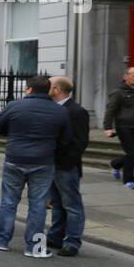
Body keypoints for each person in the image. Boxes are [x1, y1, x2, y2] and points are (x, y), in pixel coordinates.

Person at [0, 75, 74, 257]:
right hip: (43, 162)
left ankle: (1, 240)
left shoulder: (15, 106)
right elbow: (66, 140)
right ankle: (35, 248)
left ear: (29, 89)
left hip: (15, 159)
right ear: (48, 90)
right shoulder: (59, 111)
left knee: (9, 202)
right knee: (38, 205)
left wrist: (14, 133)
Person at [45, 76, 90, 256]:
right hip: (51, 165)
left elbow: (80, 142)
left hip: (66, 167)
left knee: (72, 205)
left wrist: (65, 162)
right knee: (57, 204)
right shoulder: (52, 108)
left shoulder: (77, 111)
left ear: (57, 89)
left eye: (49, 86)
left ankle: (72, 241)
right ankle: (56, 236)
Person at [103, 66, 134, 189]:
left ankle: (115, 164)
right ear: (126, 76)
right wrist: (108, 127)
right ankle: (128, 180)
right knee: (132, 153)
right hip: (124, 127)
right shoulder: (118, 92)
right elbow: (110, 110)